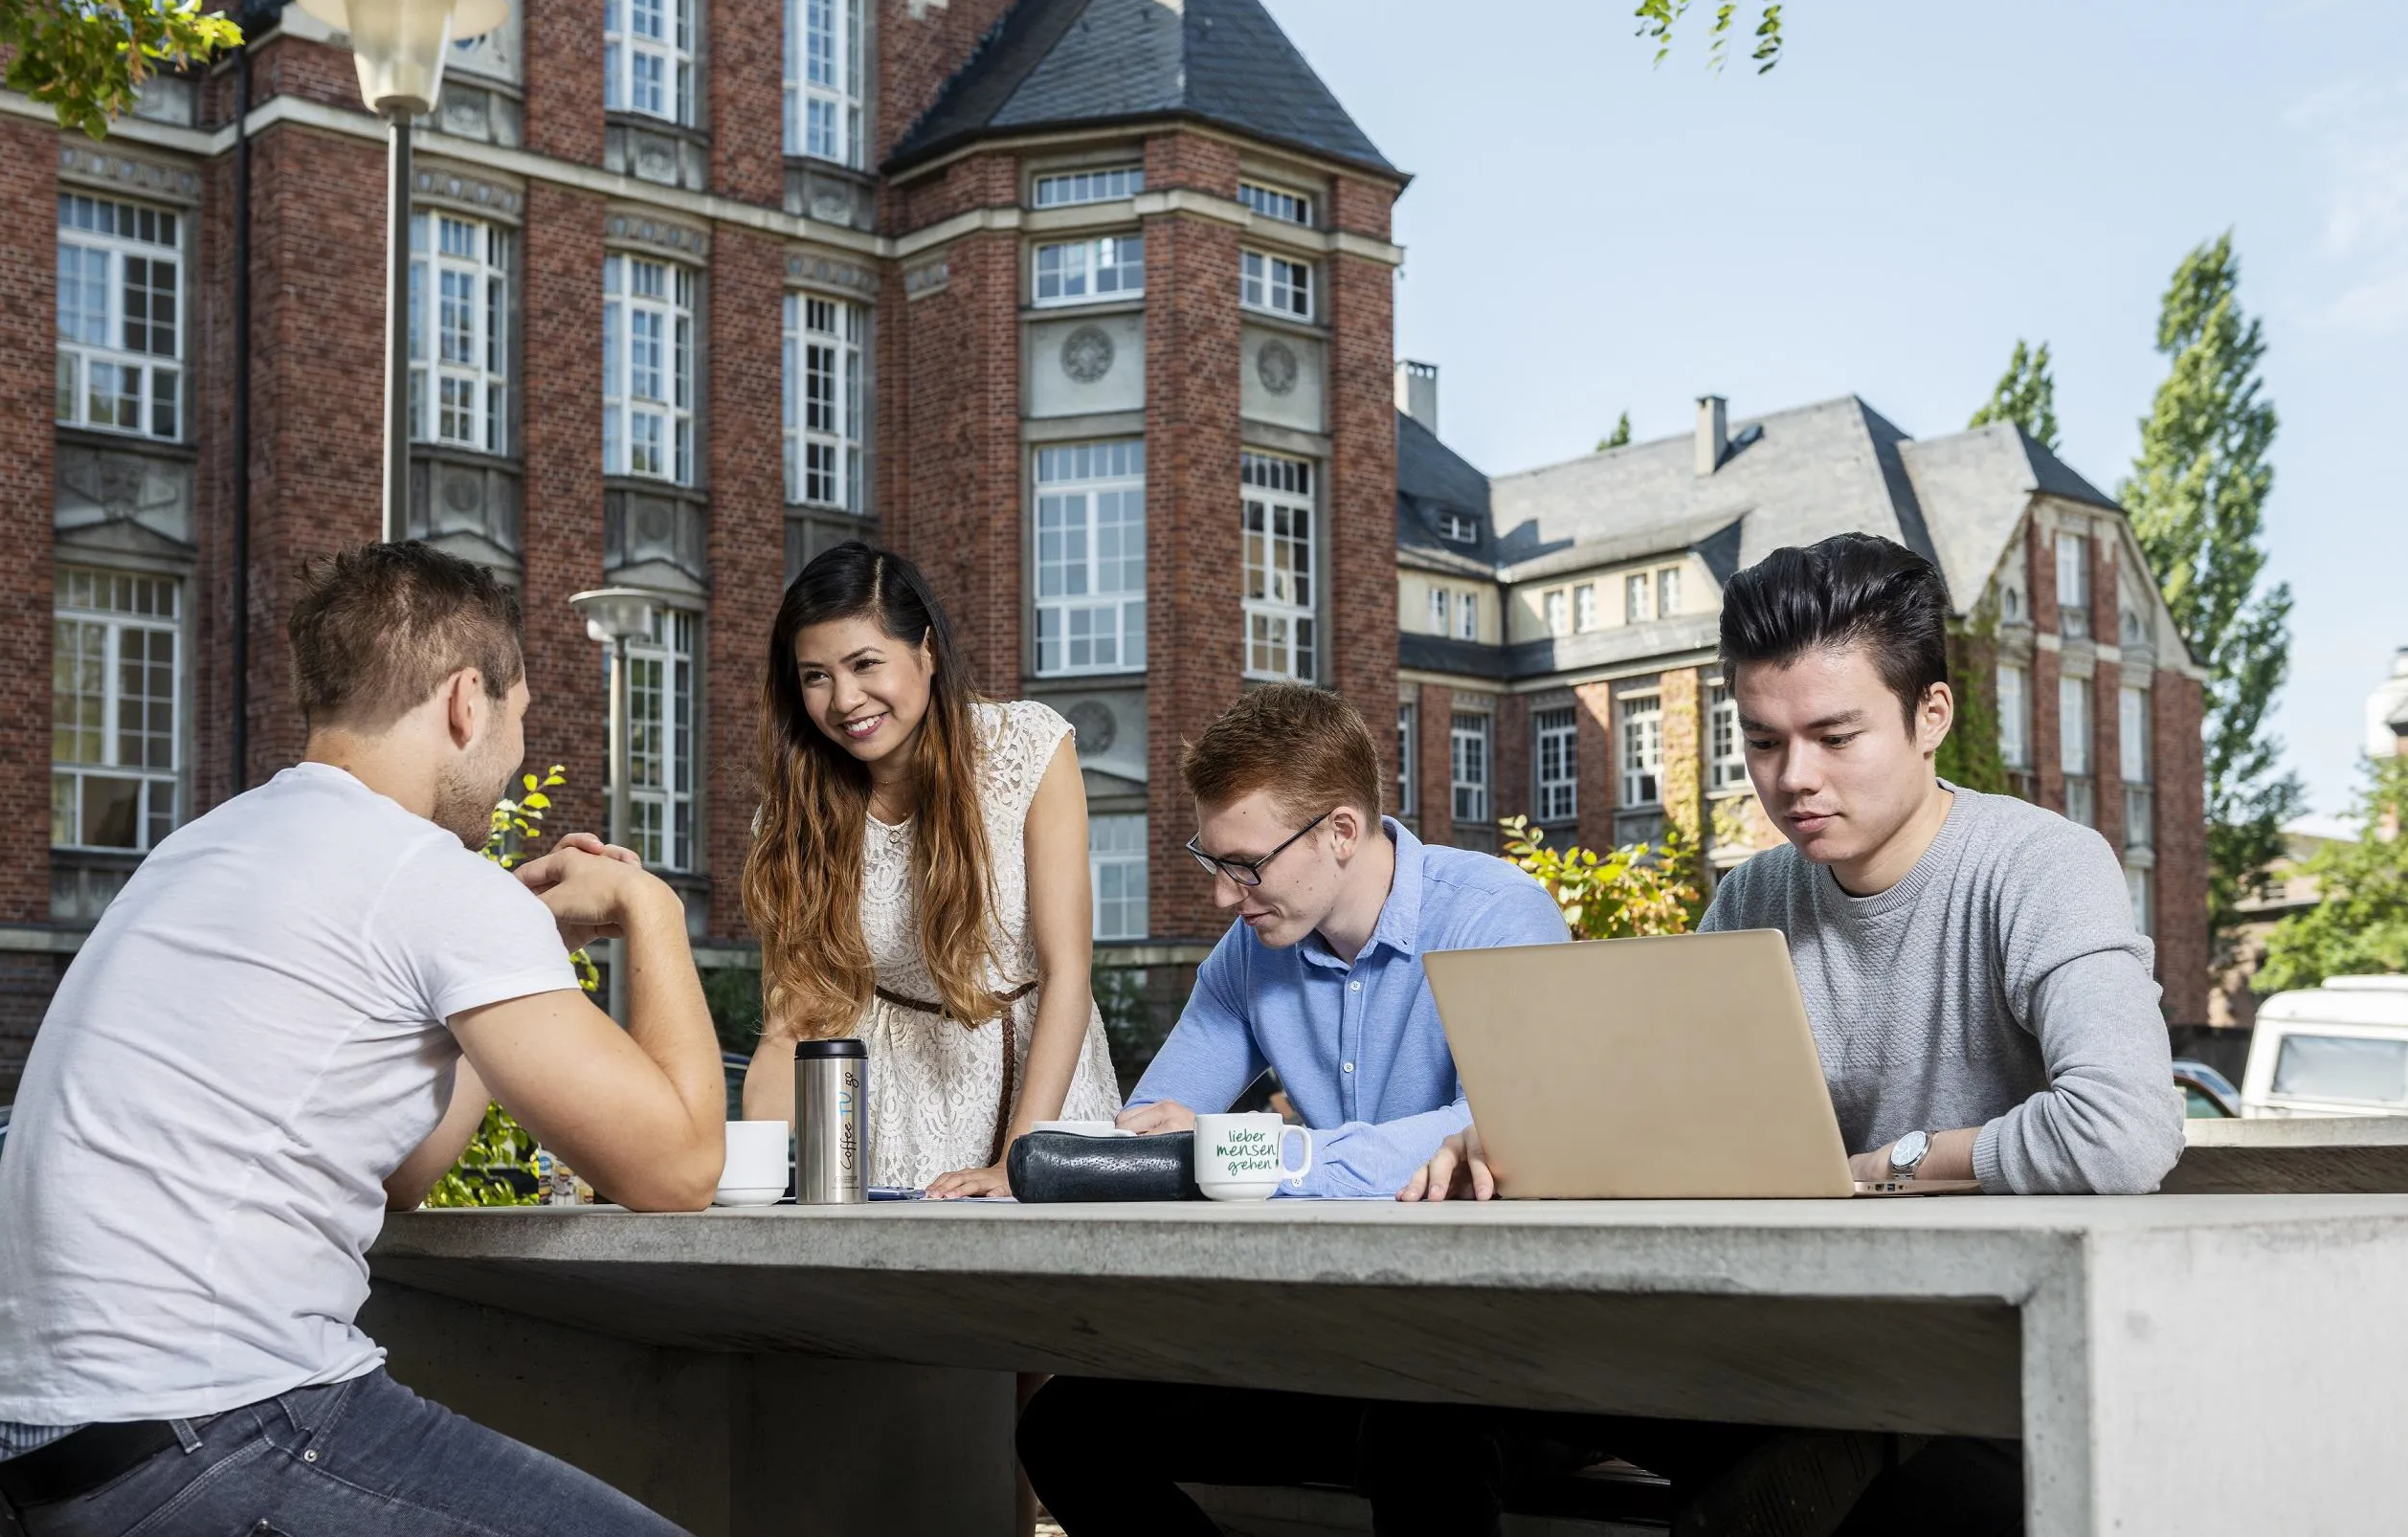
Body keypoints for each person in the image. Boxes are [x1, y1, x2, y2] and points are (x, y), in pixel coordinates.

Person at [1368, 533, 2186, 1537]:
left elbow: (2125, 1126)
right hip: (1790, 1340)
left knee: (1788, 1500)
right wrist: (1521, 1136)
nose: (1792, 777)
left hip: (1977, 1365)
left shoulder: (2042, 869)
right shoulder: (1754, 892)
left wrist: (1894, 1161)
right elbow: (1671, 1121)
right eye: (1761, 740)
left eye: (1835, 736)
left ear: (1931, 715)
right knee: (1428, 1407)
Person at [0, 542, 725, 1537]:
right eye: (520, 719)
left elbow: (397, 1175)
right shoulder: (424, 875)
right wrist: (652, 907)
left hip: (59, 1452)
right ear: (468, 699)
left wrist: (496, 957)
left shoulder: (205, 845)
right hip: (217, 1430)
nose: (514, 762)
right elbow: (676, 1170)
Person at [1016, 682, 1571, 1537]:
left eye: (1247, 866)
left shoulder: (1497, 917)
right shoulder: (1249, 954)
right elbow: (1154, 1131)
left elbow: (1508, 1131)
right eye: (1214, 862)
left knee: (1415, 1428)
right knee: (1063, 1430)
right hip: (1334, 1344)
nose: (1223, 896)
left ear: (1341, 832)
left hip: (1503, 1353)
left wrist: (1264, 1157)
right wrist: (1055, 1160)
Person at [740, 541, 1117, 1196]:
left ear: (927, 651)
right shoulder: (792, 813)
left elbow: (1068, 974)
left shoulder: (1025, 747)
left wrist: (1016, 1165)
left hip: (1040, 1093)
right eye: (815, 676)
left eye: (864, 664)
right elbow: (789, 1027)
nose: (844, 699)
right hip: (886, 1115)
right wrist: (751, 1177)